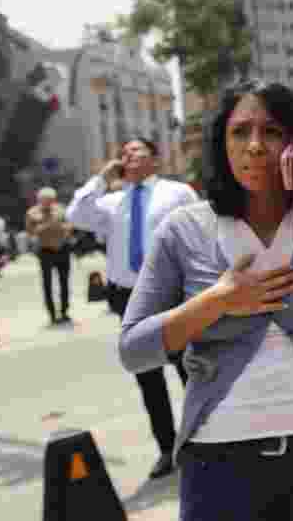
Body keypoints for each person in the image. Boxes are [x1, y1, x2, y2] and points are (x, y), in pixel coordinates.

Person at [118, 80, 293, 521]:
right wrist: (218, 301)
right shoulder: (183, 230)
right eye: (241, 132)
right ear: (221, 143)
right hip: (218, 457)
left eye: (273, 132)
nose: (256, 146)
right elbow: (134, 349)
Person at [67, 138, 198, 479]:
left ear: (154, 158)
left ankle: (203, 439)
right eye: (123, 153)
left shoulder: (177, 193)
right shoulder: (112, 202)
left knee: (191, 369)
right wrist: (102, 176)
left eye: (136, 151)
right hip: (129, 298)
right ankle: (167, 449)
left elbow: (200, 234)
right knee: (148, 377)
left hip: (173, 293)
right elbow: (76, 214)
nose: (128, 156)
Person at [26, 187, 74, 325]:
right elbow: (30, 232)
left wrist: (64, 229)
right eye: (45, 200)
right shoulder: (32, 213)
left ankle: (65, 311)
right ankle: (52, 314)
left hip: (62, 249)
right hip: (45, 251)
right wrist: (46, 226)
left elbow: (70, 226)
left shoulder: (61, 210)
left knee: (64, 281)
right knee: (47, 283)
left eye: (51, 200)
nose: (48, 203)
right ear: (39, 200)